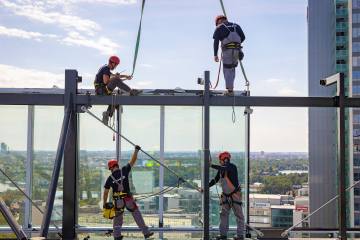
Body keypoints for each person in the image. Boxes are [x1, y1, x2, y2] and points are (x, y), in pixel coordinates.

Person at [103, 145, 154, 240]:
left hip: (118, 202)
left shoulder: (110, 178)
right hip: (128, 199)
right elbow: (133, 160)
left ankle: (117, 236)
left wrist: (105, 203)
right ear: (117, 165)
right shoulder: (124, 170)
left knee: (117, 219)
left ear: (111, 168)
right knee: (136, 214)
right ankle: (146, 233)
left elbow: (105, 192)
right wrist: (136, 150)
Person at [201, 151, 244, 240]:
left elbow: (225, 168)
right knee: (223, 214)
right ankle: (223, 234)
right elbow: (215, 180)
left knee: (239, 216)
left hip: (234, 195)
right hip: (225, 196)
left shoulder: (232, 167)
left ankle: (240, 235)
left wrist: (211, 165)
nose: (219, 161)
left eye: (220, 160)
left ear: (224, 159)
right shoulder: (221, 170)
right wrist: (205, 187)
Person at [94, 55, 142, 125]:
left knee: (115, 99)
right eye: (116, 65)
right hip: (101, 91)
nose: (116, 67)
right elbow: (105, 81)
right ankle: (131, 92)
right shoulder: (106, 69)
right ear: (113, 63)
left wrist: (126, 76)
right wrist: (116, 78)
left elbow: (113, 77)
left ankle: (107, 115)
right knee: (116, 80)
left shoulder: (105, 68)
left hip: (101, 90)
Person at [213, 15, 245, 95]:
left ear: (219, 21)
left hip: (227, 51)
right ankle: (231, 88)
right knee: (232, 69)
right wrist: (236, 44)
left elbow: (216, 41)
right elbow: (243, 37)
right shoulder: (236, 25)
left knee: (227, 69)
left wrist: (215, 54)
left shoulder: (219, 27)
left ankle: (230, 91)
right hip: (237, 50)